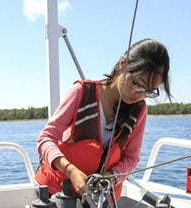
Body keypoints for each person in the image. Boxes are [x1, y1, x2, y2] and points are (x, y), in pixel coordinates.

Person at [35, 38, 171, 199]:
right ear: (123, 65)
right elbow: (45, 139)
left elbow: (132, 158)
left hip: (101, 201)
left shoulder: (139, 110)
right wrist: (70, 170)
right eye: (137, 84)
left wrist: (113, 176)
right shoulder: (81, 92)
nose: (140, 95)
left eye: (149, 91)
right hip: (57, 194)